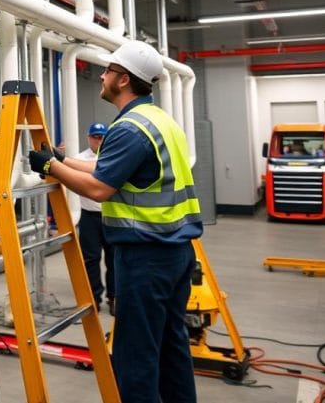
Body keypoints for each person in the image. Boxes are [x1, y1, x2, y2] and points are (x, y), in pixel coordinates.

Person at [29, 39, 202, 403]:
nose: (103, 75)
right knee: (172, 349)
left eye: (108, 71)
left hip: (146, 259)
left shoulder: (128, 129)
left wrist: (50, 168)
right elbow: (107, 169)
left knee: (135, 357)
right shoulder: (158, 121)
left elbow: (98, 188)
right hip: (175, 253)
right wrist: (61, 158)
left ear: (123, 80)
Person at [73, 122, 116, 314]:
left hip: (111, 215)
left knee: (114, 259)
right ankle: (93, 298)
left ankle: (114, 298)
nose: (98, 140)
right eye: (95, 137)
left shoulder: (115, 157)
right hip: (89, 216)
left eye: (102, 137)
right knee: (91, 259)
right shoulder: (79, 159)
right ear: (88, 138)